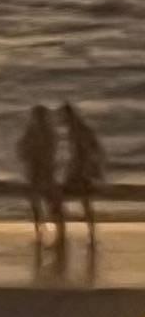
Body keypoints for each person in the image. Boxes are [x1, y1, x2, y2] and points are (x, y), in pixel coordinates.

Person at [61, 102, 106, 250]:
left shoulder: (78, 130)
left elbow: (87, 150)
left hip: (80, 171)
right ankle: (90, 235)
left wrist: (86, 169)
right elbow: (94, 148)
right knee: (84, 202)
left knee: (76, 200)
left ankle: (87, 234)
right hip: (79, 169)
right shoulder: (78, 129)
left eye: (63, 116)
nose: (62, 120)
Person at [20, 102, 60, 252]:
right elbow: (24, 149)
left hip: (42, 172)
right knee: (42, 203)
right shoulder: (44, 132)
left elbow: (24, 150)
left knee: (42, 203)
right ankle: (43, 233)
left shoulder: (42, 133)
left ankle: (44, 233)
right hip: (42, 172)